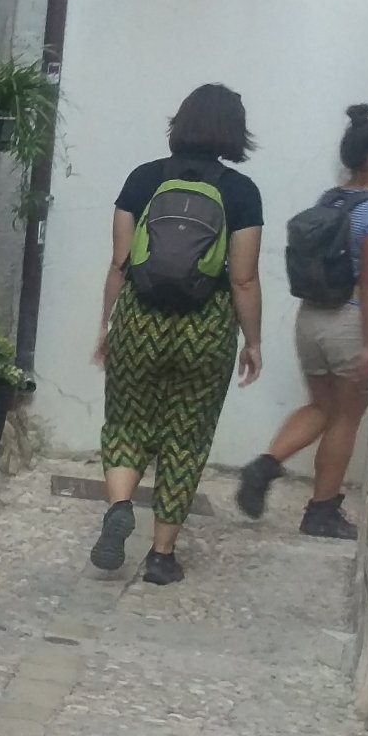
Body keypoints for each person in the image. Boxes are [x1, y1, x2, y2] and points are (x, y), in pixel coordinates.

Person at [90, 83, 267, 584]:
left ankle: (120, 506)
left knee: (126, 424)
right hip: (205, 327)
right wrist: (252, 341)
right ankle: (161, 556)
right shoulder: (241, 192)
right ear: (234, 132)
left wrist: (107, 323)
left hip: (140, 319)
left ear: (181, 122)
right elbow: (244, 278)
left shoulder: (143, 179)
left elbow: (120, 262)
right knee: (186, 438)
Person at [237, 105, 368, 536]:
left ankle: (266, 463)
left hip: (310, 319)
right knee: (346, 417)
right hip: (348, 321)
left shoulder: (328, 200)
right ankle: (321, 511)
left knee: (321, 407)